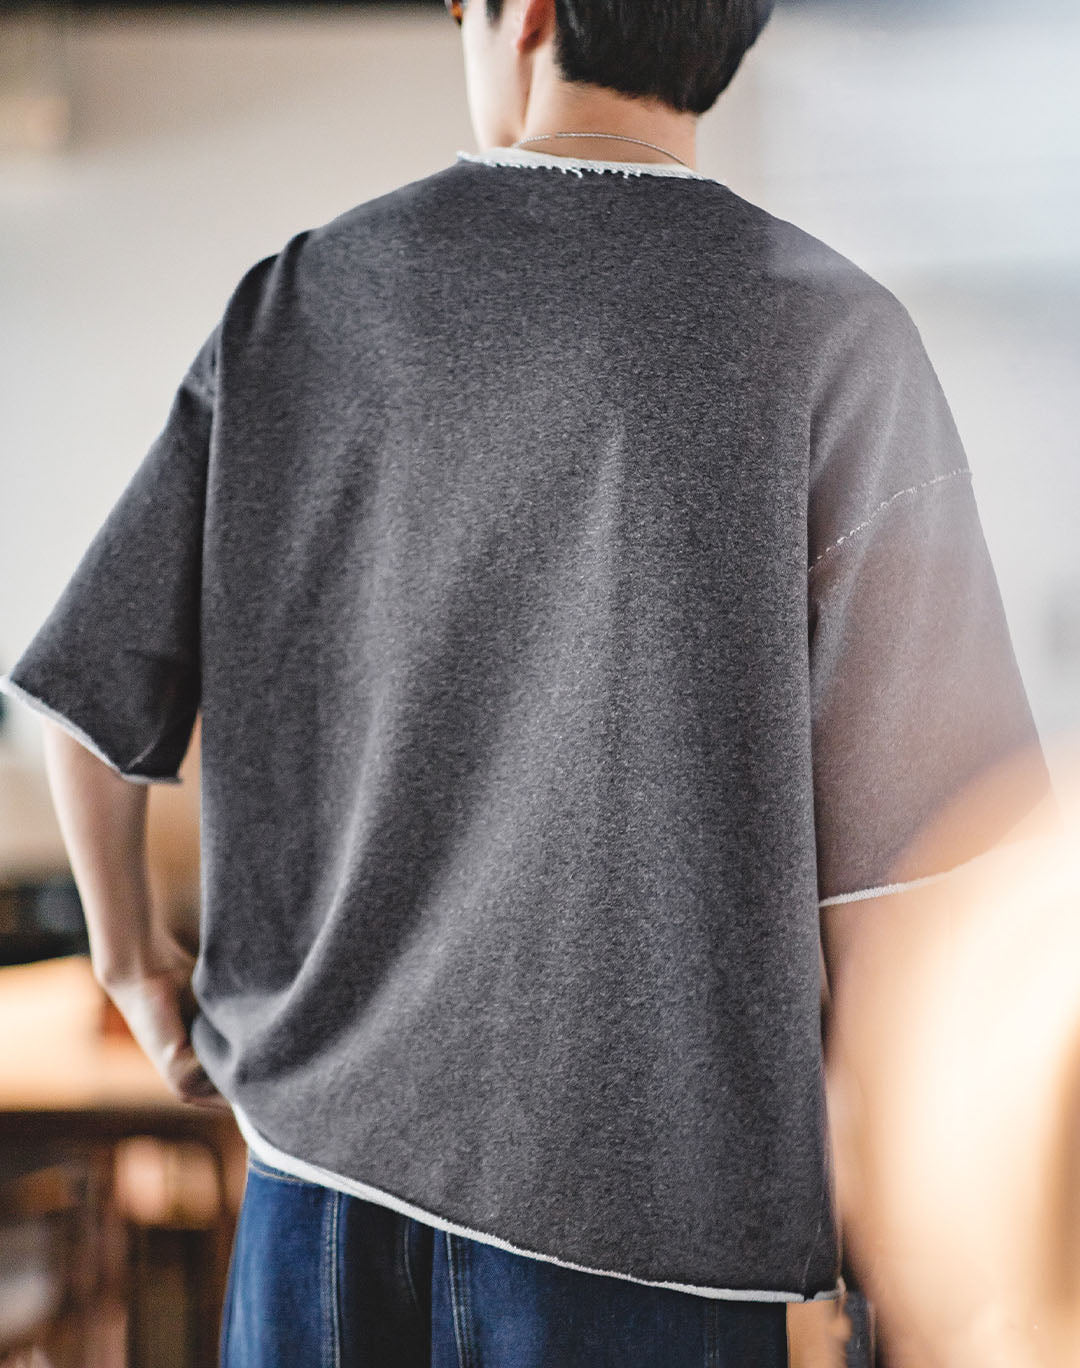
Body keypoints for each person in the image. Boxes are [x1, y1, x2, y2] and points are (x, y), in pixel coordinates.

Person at [0, 0, 1060, 1364]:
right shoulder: (831, 334)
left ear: (525, 11)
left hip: (317, 1194)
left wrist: (135, 965)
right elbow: (920, 877)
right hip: (662, 1233)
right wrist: (904, 1262)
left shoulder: (303, 298)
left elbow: (88, 703)